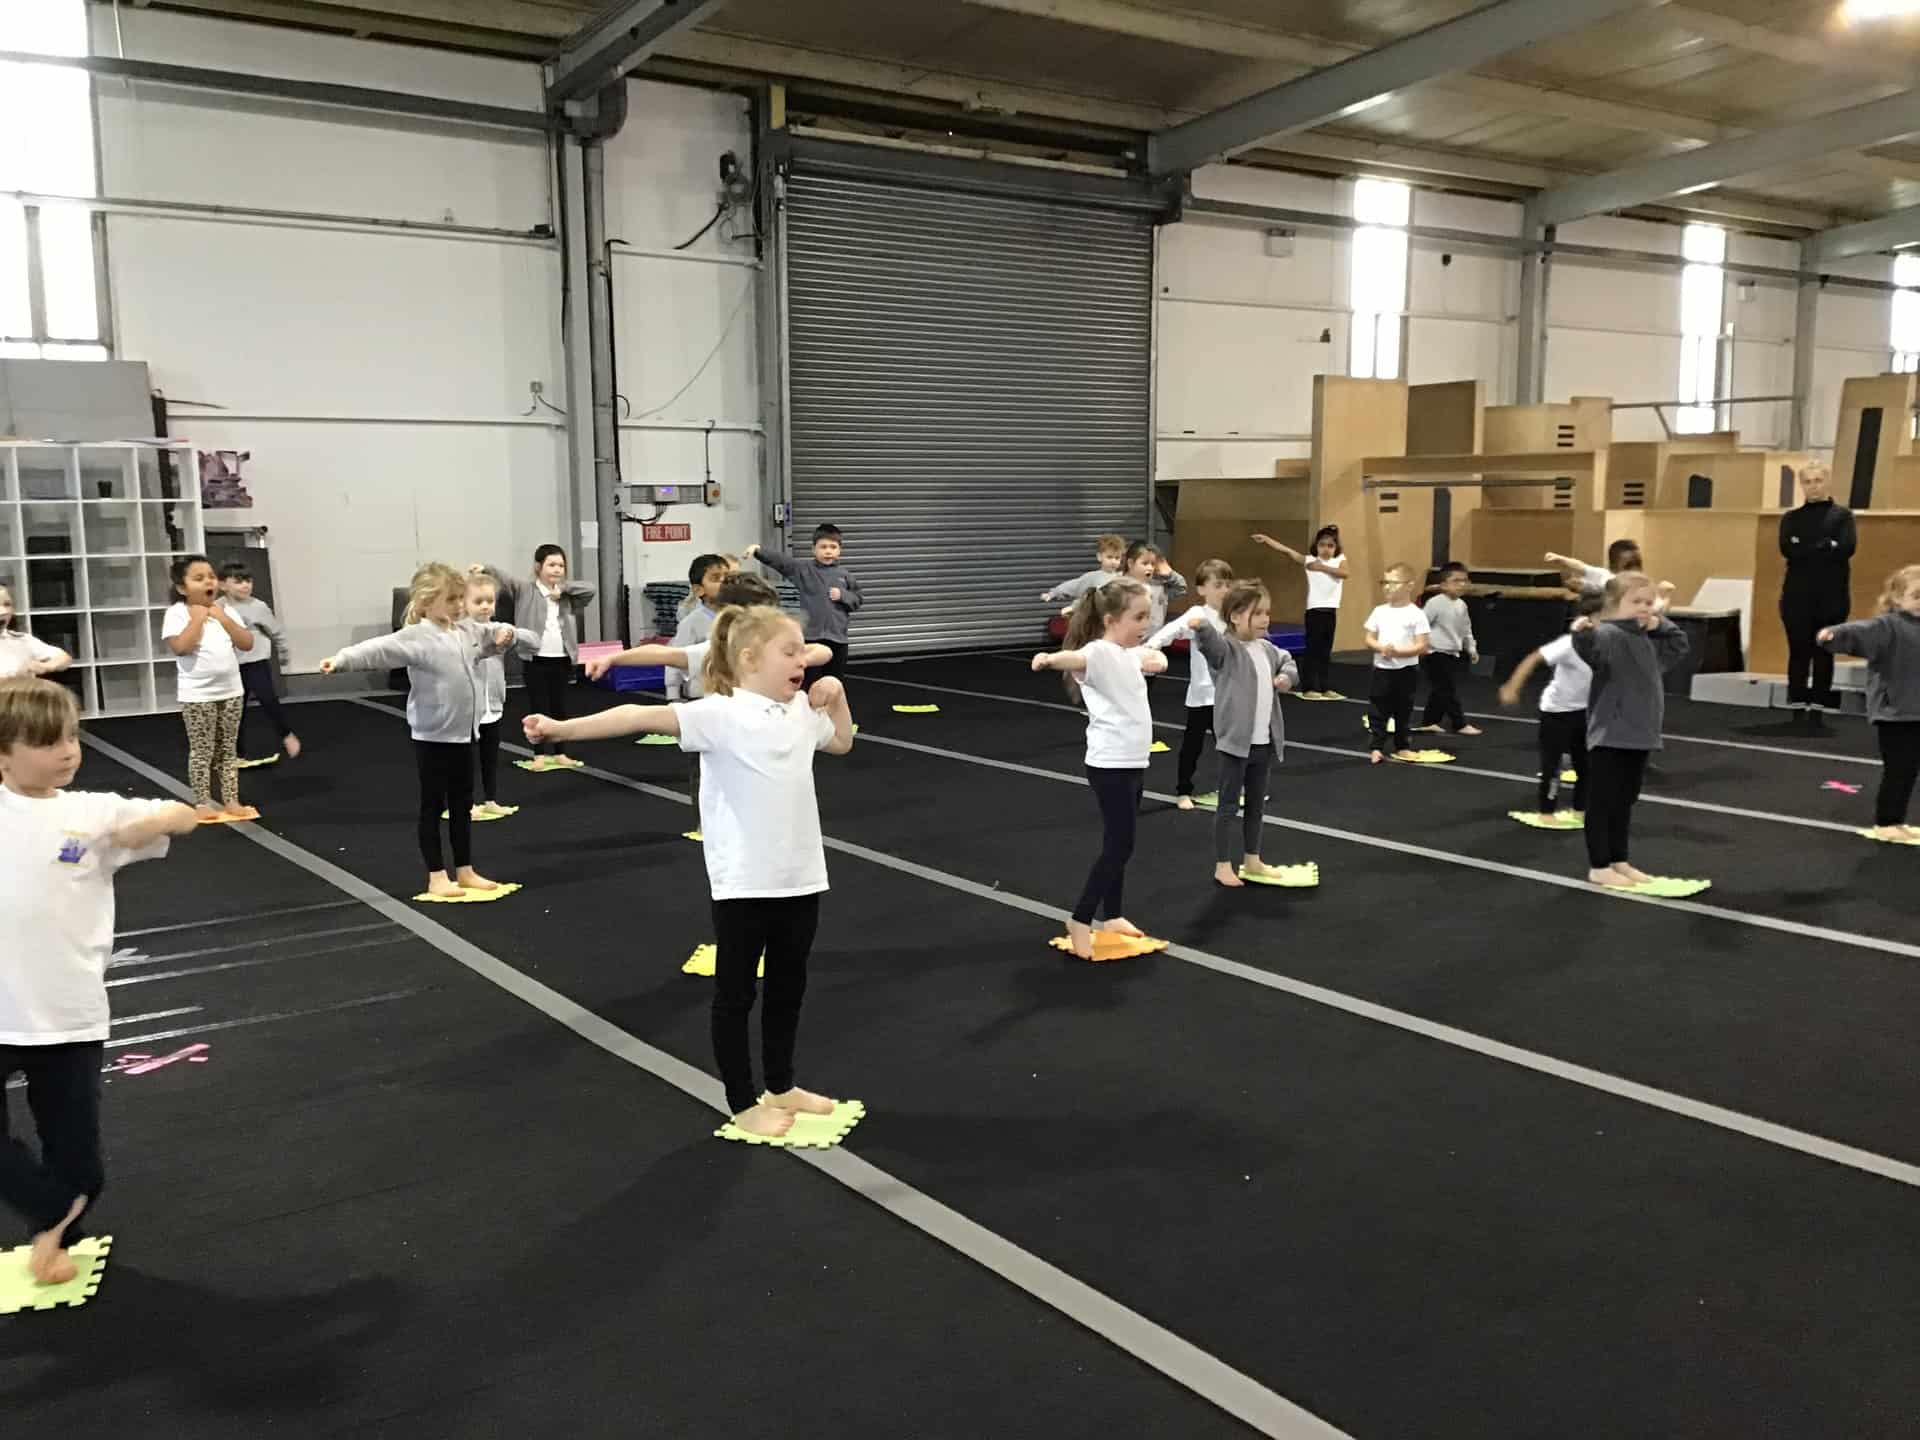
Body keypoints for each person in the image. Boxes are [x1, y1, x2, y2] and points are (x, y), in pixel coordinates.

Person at [525, 604, 856, 1139]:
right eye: (791, 652)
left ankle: (781, 1083)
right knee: (737, 992)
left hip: (801, 877)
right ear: (749, 659)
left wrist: (836, 697)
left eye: (803, 652)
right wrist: (562, 727)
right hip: (744, 882)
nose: (805, 660)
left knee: (788, 987)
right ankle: (742, 1101)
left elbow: (840, 742)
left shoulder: (798, 710)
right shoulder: (719, 714)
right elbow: (635, 716)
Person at [0, 677, 200, 1285]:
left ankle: (56, 1234)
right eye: (47, 742)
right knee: (52, 1179)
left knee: (78, 1160)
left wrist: (155, 822)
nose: (67, 751)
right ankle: (51, 1212)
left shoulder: (91, 813)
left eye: (72, 737)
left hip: (67, 1013)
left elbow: (186, 813)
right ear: (3, 754)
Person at [320, 564, 530, 898]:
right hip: (433, 738)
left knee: (462, 806)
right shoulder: (417, 637)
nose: (459, 606)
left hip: (465, 735)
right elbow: (378, 649)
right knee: (433, 807)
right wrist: (342, 659)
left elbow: (500, 634)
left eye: (460, 598)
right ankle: (436, 875)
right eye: (451, 600)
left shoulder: (466, 631)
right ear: (426, 602)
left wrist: (508, 635)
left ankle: (465, 870)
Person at [1031, 578, 1167, 959]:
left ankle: (1113, 915)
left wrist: (1155, 658)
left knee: (1117, 843)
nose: (1145, 624)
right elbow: (1077, 659)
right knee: (1121, 845)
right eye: (1138, 617)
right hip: (1111, 766)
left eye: (1148, 616)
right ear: (1110, 620)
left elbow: (1154, 659)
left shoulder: (1127, 654)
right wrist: (1050, 659)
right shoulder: (1100, 652)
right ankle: (1080, 918)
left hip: (1132, 762)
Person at [1571, 573, 1690, 888]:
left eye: (1649, 602)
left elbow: (1679, 644)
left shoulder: (1646, 640)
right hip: (1611, 735)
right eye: (1636, 601)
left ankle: (1618, 860)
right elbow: (1593, 652)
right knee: (1602, 802)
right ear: (1613, 603)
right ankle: (1599, 866)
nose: (1644, 607)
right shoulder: (1610, 634)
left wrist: (1659, 623)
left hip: (1640, 735)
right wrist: (1582, 635)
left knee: (1624, 801)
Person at [1187, 583, 1298, 887]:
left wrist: (1286, 677)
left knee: (1256, 806)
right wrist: (1202, 627)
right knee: (1227, 806)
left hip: (1263, 744)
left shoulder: (1267, 649)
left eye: (1267, 613)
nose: (1265, 619)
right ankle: (1222, 865)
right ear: (1235, 616)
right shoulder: (1228, 651)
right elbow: (1211, 646)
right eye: (1257, 613)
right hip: (1236, 745)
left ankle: (1252, 859)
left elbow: (1288, 661)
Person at [1819, 564, 1920, 842]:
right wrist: (1833, 635)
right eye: (1917, 596)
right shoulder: (1888, 626)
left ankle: (1897, 819)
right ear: (1897, 598)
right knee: (1899, 769)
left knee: (1910, 769)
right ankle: (1887, 821)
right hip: (1895, 712)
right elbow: (1859, 631)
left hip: (1916, 709)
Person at [479, 546, 594, 770]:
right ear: (538, 567)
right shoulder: (526, 589)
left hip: (561, 657)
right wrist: (484, 568)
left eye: (561, 566)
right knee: (538, 706)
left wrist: (563, 589)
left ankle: (560, 752)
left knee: (559, 707)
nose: (557, 570)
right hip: (536, 658)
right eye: (551, 565)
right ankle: (539, 753)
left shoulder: (567, 594)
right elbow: (504, 578)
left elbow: (590, 589)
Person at [161, 555, 255, 819]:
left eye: (211, 577)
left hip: (231, 691)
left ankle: (231, 800)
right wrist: (197, 620)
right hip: (198, 695)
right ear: (182, 588)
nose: (208, 582)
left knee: (228, 750)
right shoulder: (176, 613)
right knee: (203, 751)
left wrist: (223, 618)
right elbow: (181, 647)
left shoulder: (226, 611)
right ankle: (202, 802)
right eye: (199, 578)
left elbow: (247, 643)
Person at [1498, 594, 1603, 821]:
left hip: (1586, 712)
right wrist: (1512, 686)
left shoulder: (1611, 645)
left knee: (1586, 765)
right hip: (1557, 712)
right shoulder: (1568, 644)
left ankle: (1580, 809)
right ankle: (1547, 811)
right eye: (1603, 618)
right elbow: (1533, 659)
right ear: (1587, 620)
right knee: (1552, 765)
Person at [1145, 558, 1234, 809]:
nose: (1224, 590)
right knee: (1192, 746)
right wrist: (1151, 647)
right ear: (1202, 589)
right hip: (1202, 695)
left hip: (1228, 694)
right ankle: (1183, 790)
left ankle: (1236, 787)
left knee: (1232, 747)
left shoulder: (1233, 615)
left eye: (1228, 585)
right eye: (1218, 585)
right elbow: (1171, 630)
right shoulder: (1198, 614)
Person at [1780, 462, 1857, 713]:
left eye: (1818, 481)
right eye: (1807, 482)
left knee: (1824, 648)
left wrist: (1807, 547)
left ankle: (1821, 698)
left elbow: (1846, 548)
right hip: (1796, 595)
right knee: (1798, 648)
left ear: (1827, 482)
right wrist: (1824, 546)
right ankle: (1796, 696)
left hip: (1831, 595)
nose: (1813, 486)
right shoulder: (1791, 518)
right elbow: (1787, 549)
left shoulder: (1842, 516)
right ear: (1802, 485)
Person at [745, 524, 862, 688]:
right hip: (810, 637)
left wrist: (843, 595)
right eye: (823, 547)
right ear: (814, 549)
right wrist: (758, 550)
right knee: (808, 681)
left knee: (834, 682)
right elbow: (781, 561)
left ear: (839, 550)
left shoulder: (845, 575)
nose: (828, 551)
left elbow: (857, 599)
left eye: (833, 547)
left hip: (837, 638)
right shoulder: (802, 570)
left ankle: (830, 703)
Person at [218, 563, 301, 765]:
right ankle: (236, 753)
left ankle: (286, 735)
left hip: (256, 662)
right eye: (238, 582)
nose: (245, 585)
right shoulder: (217, 607)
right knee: (235, 710)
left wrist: (283, 652)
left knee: (268, 700)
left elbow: (276, 631)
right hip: (232, 665)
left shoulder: (258, 607)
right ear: (223, 585)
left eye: (248, 581)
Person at [1253, 526, 1346, 698]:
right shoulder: (1309, 560)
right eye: (1322, 545)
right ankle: (1308, 687)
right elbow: (1288, 551)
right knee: (1312, 650)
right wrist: (1267, 540)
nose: (1326, 549)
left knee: (1325, 651)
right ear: (1316, 546)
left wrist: (1322, 568)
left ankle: (1324, 687)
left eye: (1330, 545)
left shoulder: (1339, 560)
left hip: (1330, 612)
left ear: (1336, 547)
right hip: (1314, 612)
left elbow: (1344, 573)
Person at [1363, 563, 1430, 764]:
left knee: (1404, 709)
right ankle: (1376, 746)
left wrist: (1398, 652)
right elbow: (1369, 638)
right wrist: (1381, 648)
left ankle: (1403, 746)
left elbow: (1422, 645)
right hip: (1382, 670)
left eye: (1393, 583)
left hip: (1406, 670)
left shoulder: (1416, 614)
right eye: (1384, 582)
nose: (1387, 587)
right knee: (1378, 708)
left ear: (1409, 585)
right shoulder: (1379, 611)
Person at [464, 573, 514, 821]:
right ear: (464, 603)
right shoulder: (460, 632)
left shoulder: (500, 629)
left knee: (490, 757)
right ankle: (466, 802)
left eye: (490, 601)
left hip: (492, 705)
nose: (485, 606)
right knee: (465, 761)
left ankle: (490, 800)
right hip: (468, 708)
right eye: (478, 601)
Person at [1418, 561, 1482, 736]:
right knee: (1447, 689)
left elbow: (1466, 629)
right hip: (1434, 653)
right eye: (1456, 581)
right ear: (1443, 584)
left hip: (1452, 653)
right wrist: (1419, 646)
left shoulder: (1461, 605)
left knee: (1440, 689)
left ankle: (1430, 722)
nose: (1461, 584)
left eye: (1464, 580)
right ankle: (1459, 723)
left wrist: (1471, 648)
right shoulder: (1435, 603)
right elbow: (1421, 624)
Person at [667, 553, 733, 701]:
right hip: (701, 695)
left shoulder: (737, 617)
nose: (724, 583)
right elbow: (674, 657)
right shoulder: (691, 623)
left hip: (732, 693)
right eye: (715, 578)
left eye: (727, 578)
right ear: (698, 590)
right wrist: (673, 694)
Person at [0, 584, 71, 680]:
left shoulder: (22, 640)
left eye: (7, 604)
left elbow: (64, 658)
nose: (3, 612)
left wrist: (44, 666)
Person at [1040, 535, 1127, 603]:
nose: (1113, 562)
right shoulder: (1092, 577)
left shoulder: (1123, 578)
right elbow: (1073, 585)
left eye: (1117, 558)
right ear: (1099, 557)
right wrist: (1052, 593)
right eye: (1109, 557)